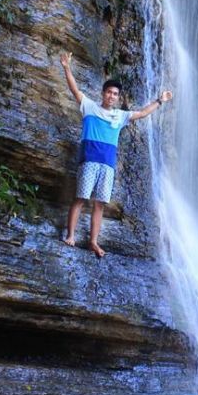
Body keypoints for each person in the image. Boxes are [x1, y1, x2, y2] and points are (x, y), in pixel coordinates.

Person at [59, 51, 173, 257]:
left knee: (100, 204)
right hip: (89, 162)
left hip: (107, 165)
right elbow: (74, 89)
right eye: (109, 92)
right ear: (103, 93)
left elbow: (142, 113)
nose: (111, 96)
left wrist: (160, 100)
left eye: (115, 94)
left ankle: (94, 241)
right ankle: (71, 235)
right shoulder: (89, 107)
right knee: (80, 198)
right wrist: (67, 67)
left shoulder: (120, 116)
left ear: (118, 98)